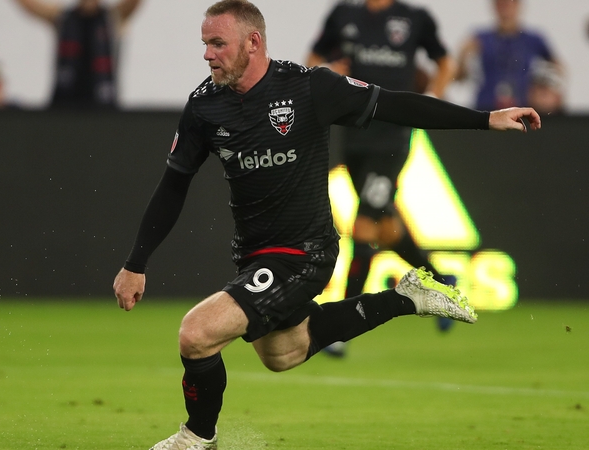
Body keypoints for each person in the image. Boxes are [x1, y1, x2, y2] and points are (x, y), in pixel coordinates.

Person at [112, 1, 539, 448]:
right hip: (254, 255)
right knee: (283, 353)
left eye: (217, 43)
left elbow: (397, 106)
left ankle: (197, 438)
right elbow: (173, 185)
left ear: (252, 42)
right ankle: (403, 299)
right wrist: (136, 262)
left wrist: (486, 120)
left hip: (306, 251)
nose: (208, 54)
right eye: (205, 44)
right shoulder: (204, 106)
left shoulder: (309, 87)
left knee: (196, 334)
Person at [306, 0, 457, 354]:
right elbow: (311, 62)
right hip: (355, 138)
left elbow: (445, 62)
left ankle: (339, 328)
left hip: (392, 139)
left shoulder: (415, 19)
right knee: (386, 228)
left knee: (364, 226)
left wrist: (432, 99)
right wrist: (329, 68)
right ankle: (441, 280)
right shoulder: (343, 15)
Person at [13, 0, 142, 109]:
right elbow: (31, 7)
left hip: (104, 107)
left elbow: (133, 4)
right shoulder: (61, 17)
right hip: (64, 104)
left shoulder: (113, 18)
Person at [455, 0, 563, 111]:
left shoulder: (533, 39)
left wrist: (545, 93)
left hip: (522, 106)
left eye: (509, 4)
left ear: (518, 6)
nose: (505, 10)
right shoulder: (480, 38)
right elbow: (459, 77)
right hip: (487, 107)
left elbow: (559, 71)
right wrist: (462, 57)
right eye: (500, 4)